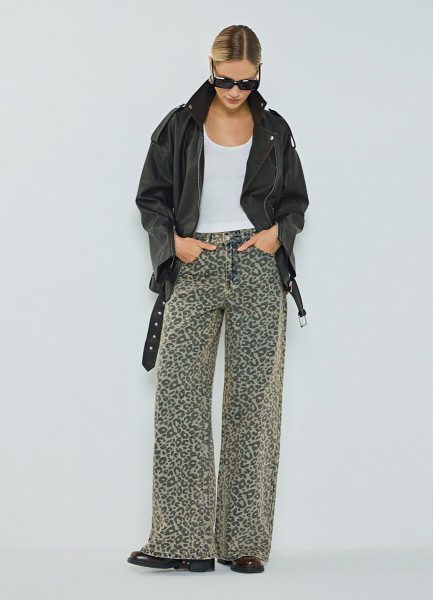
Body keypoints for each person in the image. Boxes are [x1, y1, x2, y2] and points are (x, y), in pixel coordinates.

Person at [127, 24, 309, 574]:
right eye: (225, 80)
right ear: (210, 69)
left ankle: (244, 542)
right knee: (179, 399)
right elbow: (151, 197)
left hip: (256, 263)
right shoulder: (180, 125)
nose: (234, 91)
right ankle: (181, 541)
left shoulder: (275, 129)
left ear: (259, 75)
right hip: (195, 262)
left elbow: (295, 200)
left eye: (246, 82)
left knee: (254, 403)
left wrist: (278, 234)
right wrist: (174, 244)